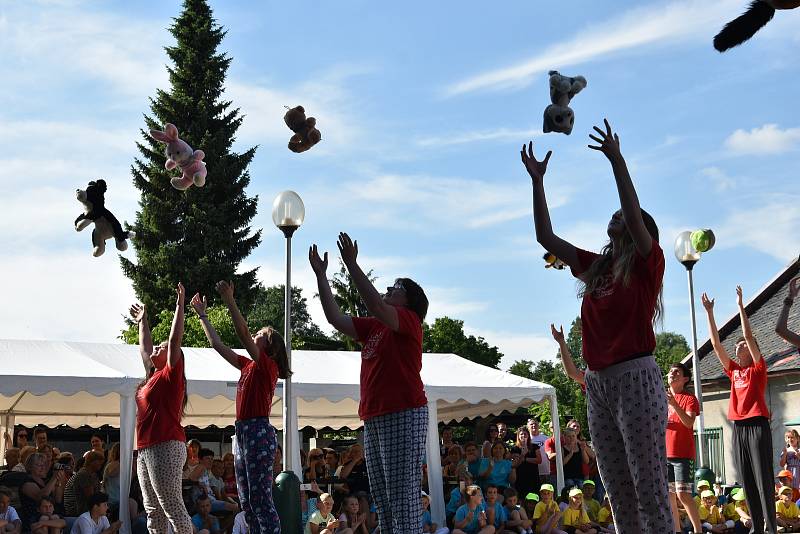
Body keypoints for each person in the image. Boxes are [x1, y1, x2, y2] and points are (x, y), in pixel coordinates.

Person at [522, 120, 669, 533]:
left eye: (626, 216)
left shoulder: (646, 263)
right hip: (598, 382)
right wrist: (538, 182)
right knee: (617, 487)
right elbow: (546, 237)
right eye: (616, 213)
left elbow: (637, 222)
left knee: (648, 485)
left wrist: (616, 161)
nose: (617, 216)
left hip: (635, 376)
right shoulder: (598, 267)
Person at [310, 233, 429, 533]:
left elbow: (376, 304)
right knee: (384, 499)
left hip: (404, 412)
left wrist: (351, 264)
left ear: (410, 303)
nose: (389, 288)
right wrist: (322, 277)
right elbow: (336, 319)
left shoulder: (409, 321)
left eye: (397, 287)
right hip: (376, 416)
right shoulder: (376, 326)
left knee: (402, 498)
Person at [192, 281, 288, 533]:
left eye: (260, 333)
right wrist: (203, 316)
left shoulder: (267, 366)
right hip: (244, 431)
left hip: (257, 430)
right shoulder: (248, 365)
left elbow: (243, 333)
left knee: (260, 499)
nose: (254, 333)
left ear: (269, 346)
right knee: (247, 501)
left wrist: (229, 299)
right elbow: (217, 345)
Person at [702, 287, 777, 533]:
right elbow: (715, 344)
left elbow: (748, 331)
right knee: (746, 481)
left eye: (744, 344)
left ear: (753, 348)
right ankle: (756, 527)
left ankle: (770, 528)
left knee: (763, 479)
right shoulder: (734, 371)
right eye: (737, 346)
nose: (738, 346)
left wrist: (740, 306)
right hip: (739, 428)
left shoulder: (758, 369)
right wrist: (710, 313)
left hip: (757, 424)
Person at [129, 283, 193, 534]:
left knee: (172, 507)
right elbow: (145, 349)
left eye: (162, 347)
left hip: (166, 444)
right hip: (146, 448)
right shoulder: (152, 377)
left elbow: (176, 339)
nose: (157, 348)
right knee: (153, 510)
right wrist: (142, 321)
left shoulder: (170, 375)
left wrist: (180, 305)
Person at [664, 362, 703, 534]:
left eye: (677, 372)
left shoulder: (690, 399)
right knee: (670, 496)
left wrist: (674, 404)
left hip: (683, 455)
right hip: (664, 454)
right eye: (671, 371)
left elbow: (688, 423)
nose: (672, 373)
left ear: (685, 379)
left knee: (683, 495)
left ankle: (698, 530)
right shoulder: (660, 397)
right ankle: (677, 530)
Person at [514, 427, 542, 501]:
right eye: (521, 434)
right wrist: (523, 454)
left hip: (533, 476)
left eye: (525, 434)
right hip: (520, 477)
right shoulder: (515, 448)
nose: (523, 436)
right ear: (518, 436)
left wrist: (525, 459)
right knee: (522, 498)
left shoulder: (535, 446)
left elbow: (539, 460)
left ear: (528, 435)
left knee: (534, 498)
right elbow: (515, 464)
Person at [526, 419, 550, 486]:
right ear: (528, 427)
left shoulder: (546, 438)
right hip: (532, 471)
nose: (534, 425)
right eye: (531, 424)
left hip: (546, 471)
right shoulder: (527, 440)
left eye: (536, 424)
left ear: (539, 426)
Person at [780, 429, 800, 494]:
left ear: (797, 439)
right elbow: (782, 464)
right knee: (789, 489)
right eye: (788, 437)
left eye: (792, 437)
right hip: (789, 472)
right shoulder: (786, 450)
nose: (790, 439)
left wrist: (799, 457)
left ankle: (797, 502)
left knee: (797, 489)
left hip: (798, 471)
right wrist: (785, 454)